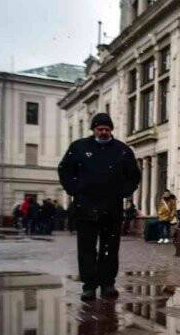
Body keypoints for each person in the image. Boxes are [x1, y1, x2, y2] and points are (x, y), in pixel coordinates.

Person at [58, 112, 141, 301]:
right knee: (86, 248)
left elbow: (134, 176)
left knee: (110, 248)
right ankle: (89, 286)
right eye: (99, 129)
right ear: (93, 129)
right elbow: (64, 170)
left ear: (111, 129)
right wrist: (75, 189)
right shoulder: (79, 147)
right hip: (85, 208)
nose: (103, 132)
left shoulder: (122, 150)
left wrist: (124, 191)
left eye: (107, 129)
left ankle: (107, 284)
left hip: (112, 209)